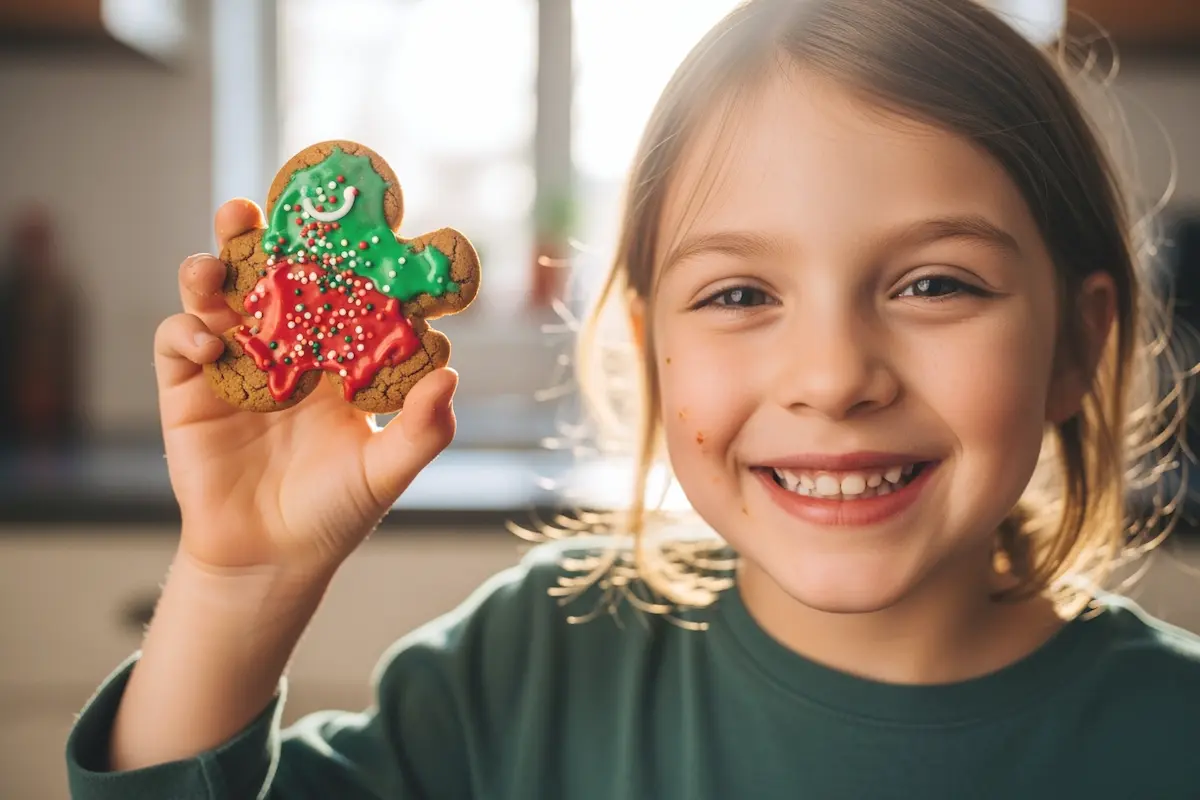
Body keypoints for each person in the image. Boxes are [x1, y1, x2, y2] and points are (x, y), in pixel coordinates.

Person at [65, 0, 1200, 797]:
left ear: (1076, 342)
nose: (834, 376)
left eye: (935, 282)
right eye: (743, 291)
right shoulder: (536, 663)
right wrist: (238, 577)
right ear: (655, 348)